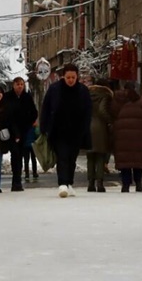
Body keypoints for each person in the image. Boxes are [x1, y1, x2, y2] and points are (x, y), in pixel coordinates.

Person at [39, 62, 92, 197]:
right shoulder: (55, 89)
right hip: (58, 131)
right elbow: (46, 108)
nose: (70, 80)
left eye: (73, 77)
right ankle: (62, 184)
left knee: (71, 159)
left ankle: (69, 183)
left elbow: (88, 111)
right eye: (68, 77)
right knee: (62, 157)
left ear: (77, 77)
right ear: (63, 77)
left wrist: (85, 129)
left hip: (76, 132)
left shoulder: (83, 91)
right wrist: (44, 127)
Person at [110, 81, 142, 192]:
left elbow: (111, 116)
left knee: (125, 162)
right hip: (138, 137)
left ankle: (125, 185)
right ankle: (138, 183)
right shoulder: (141, 102)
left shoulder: (117, 101)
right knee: (137, 161)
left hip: (122, 137)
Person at [5, 76, 38, 191]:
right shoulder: (8, 97)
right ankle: (16, 181)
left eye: (22, 84)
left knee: (22, 155)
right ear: (13, 85)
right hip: (11, 131)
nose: (20, 86)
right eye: (18, 84)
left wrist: (28, 123)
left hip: (24, 130)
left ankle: (18, 180)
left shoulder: (27, 97)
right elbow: (5, 113)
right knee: (15, 154)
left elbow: (34, 113)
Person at [86, 79, 115, 192]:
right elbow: (103, 110)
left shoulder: (87, 95)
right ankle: (100, 183)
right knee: (100, 157)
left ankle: (90, 183)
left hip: (88, 127)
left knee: (90, 157)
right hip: (101, 128)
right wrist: (110, 120)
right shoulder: (105, 95)